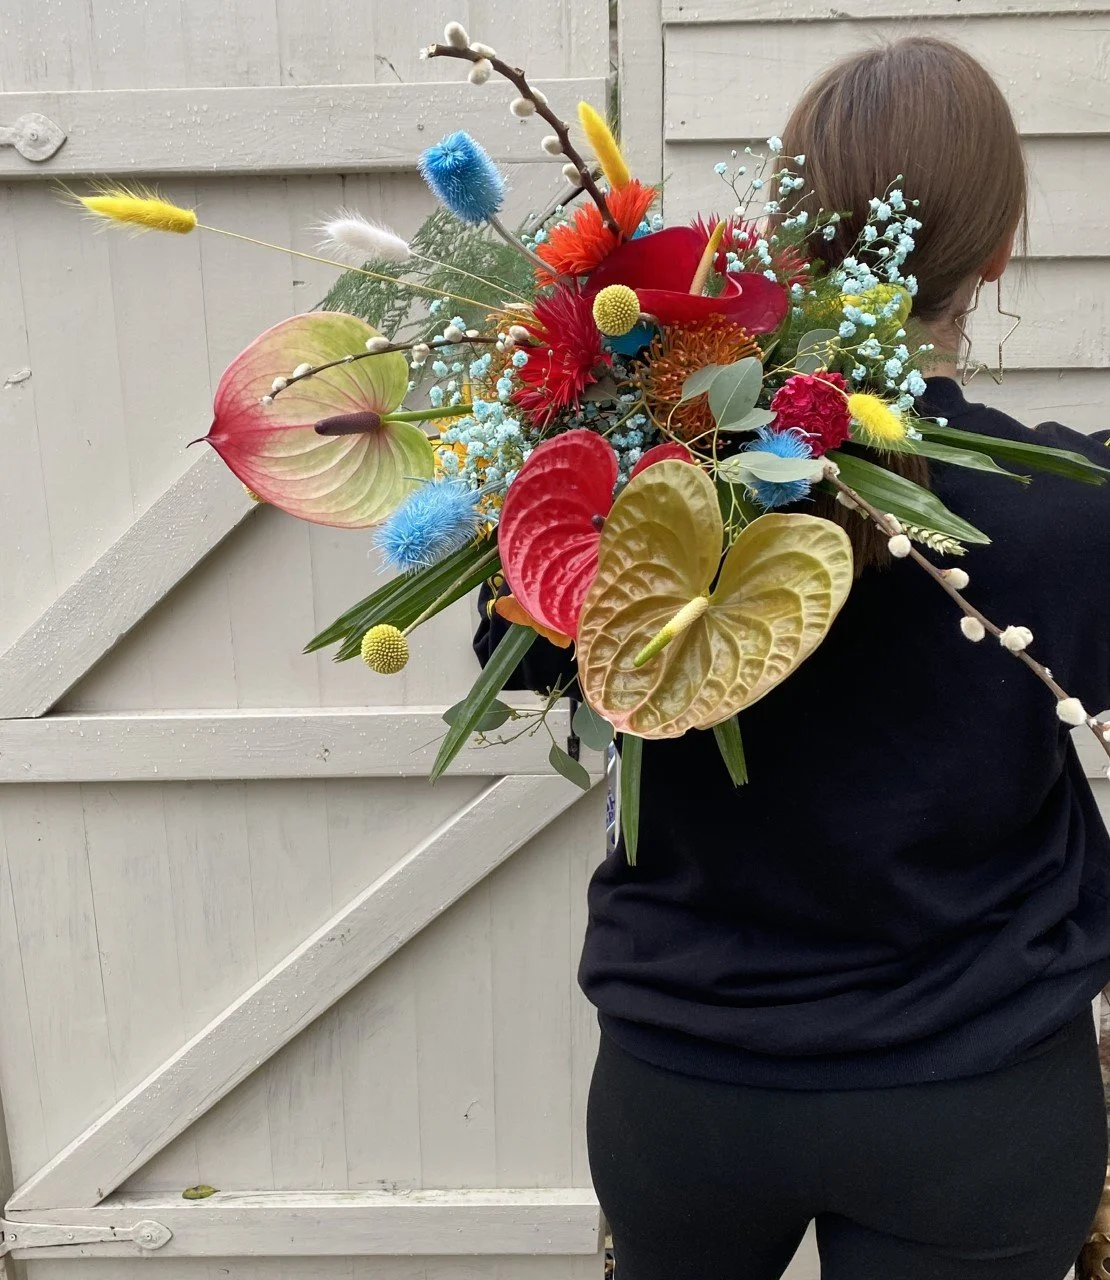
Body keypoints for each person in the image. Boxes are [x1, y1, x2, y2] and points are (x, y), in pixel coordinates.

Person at [474, 36, 1110, 1280]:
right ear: (997, 253)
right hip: (974, 1092)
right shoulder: (1073, 514)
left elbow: (522, 655)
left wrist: (581, 460)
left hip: (690, 1088)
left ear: (791, 233)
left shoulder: (649, 477)